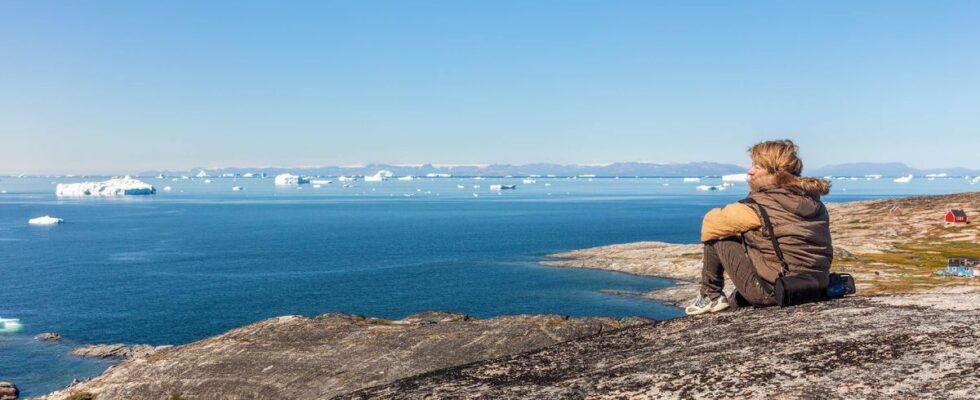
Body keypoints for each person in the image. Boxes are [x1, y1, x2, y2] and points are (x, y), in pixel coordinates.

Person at [685, 140, 833, 315]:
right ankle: (731, 301)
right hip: (815, 287)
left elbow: (710, 223)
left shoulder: (760, 205)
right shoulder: (814, 202)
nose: (750, 171)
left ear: (774, 170)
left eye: (757, 166)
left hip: (777, 291)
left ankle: (710, 296)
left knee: (719, 236)